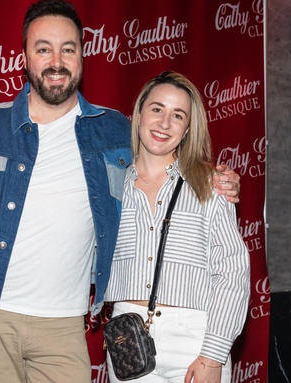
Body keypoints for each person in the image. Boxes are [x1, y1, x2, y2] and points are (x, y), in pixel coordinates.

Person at [0, 0, 241, 383]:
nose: (56, 61)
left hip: (63, 325)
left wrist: (215, 176)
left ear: (83, 56)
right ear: (24, 57)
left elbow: (166, 155)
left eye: (67, 49)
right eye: (43, 49)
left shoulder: (116, 131)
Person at [104, 71, 250, 383]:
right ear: (140, 113)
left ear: (186, 130)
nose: (164, 123)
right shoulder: (111, 188)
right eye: (157, 109)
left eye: (177, 115)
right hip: (128, 338)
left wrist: (214, 355)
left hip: (196, 338)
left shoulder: (210, 186)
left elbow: (232, 272)